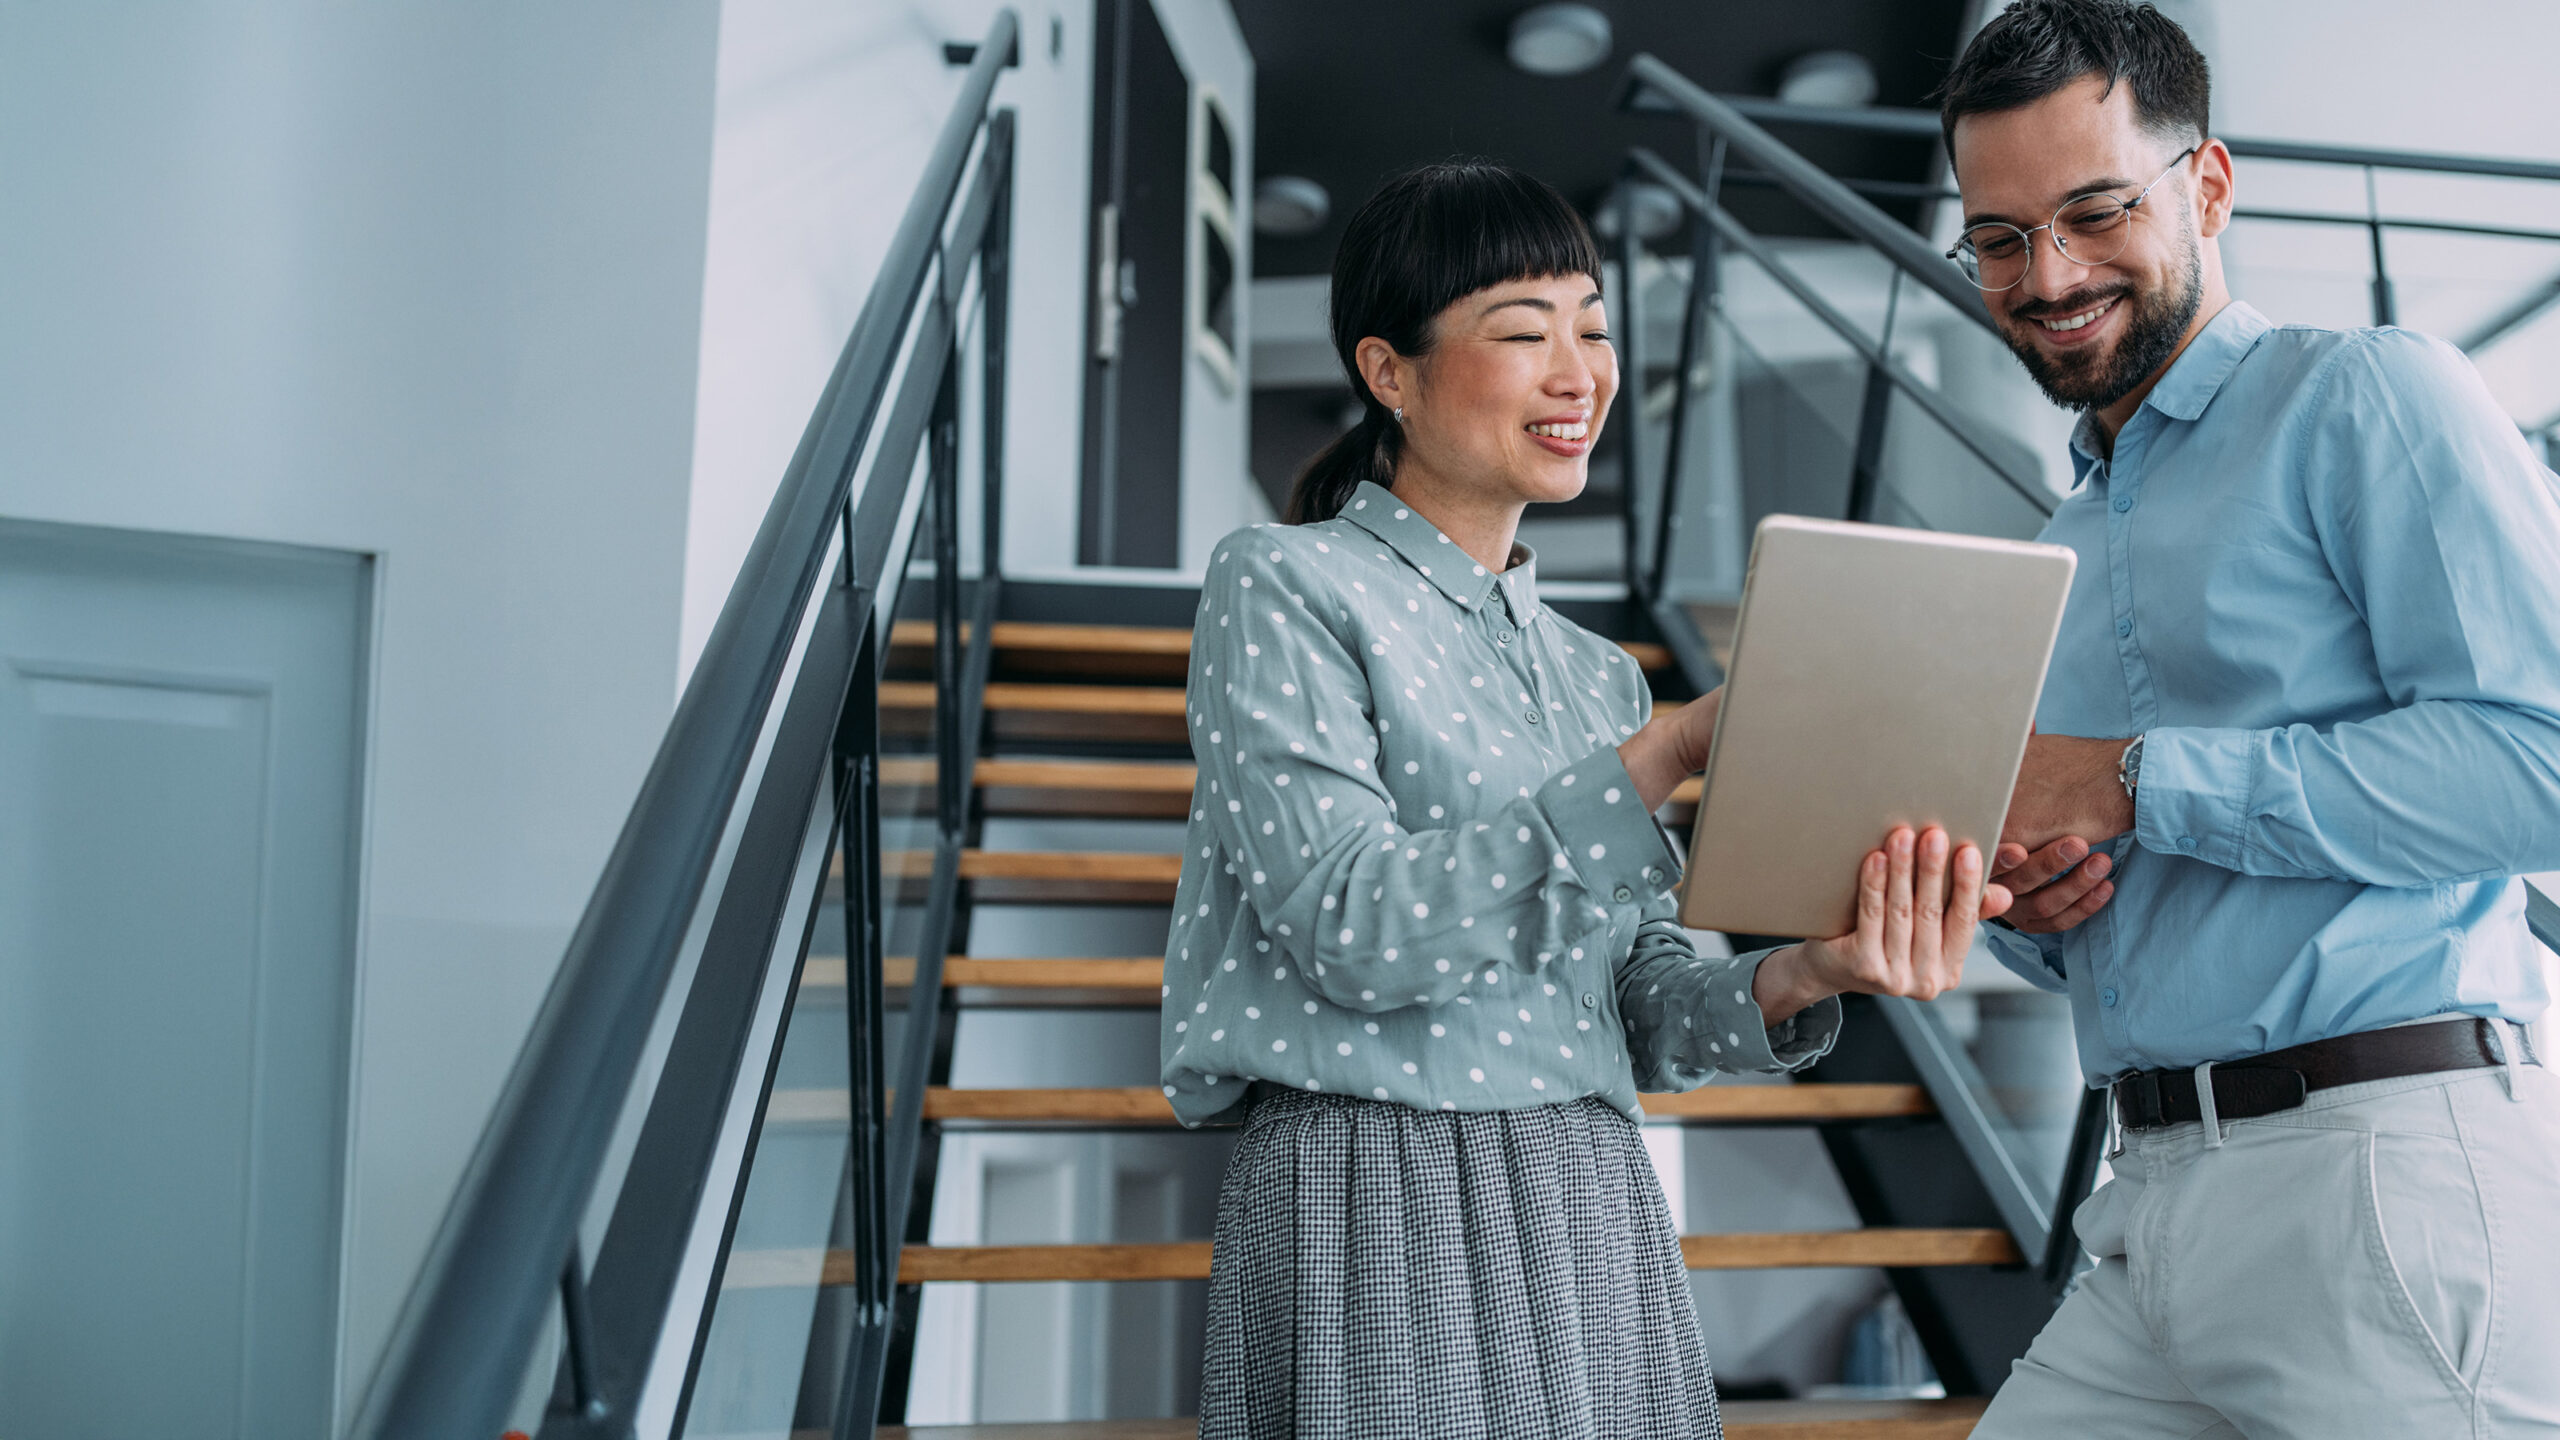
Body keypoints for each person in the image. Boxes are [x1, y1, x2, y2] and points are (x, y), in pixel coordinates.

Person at [1158, 160, 2010, 1440]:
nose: (1578, 372)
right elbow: (1349, 926)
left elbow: (1643, 1011)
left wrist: (1812, 971)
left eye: (1593, 329)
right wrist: (1657, 760)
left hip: (1593, 1199)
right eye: (1522, 332)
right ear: (1386, 370)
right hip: (1378, 1186)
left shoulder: (1596, 674)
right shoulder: (1284, 585)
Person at [1929, 4, 2560, 1435]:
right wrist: (2035, 902)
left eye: (2095, 213)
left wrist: (2140, 781)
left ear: (2206, 186)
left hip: (2380, 1186)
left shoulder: (2370, 396)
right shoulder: (2058, 547)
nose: (2050, 274)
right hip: (2147, 1202)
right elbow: (2097, 899)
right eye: (2002, 239)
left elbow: (2545, 759)